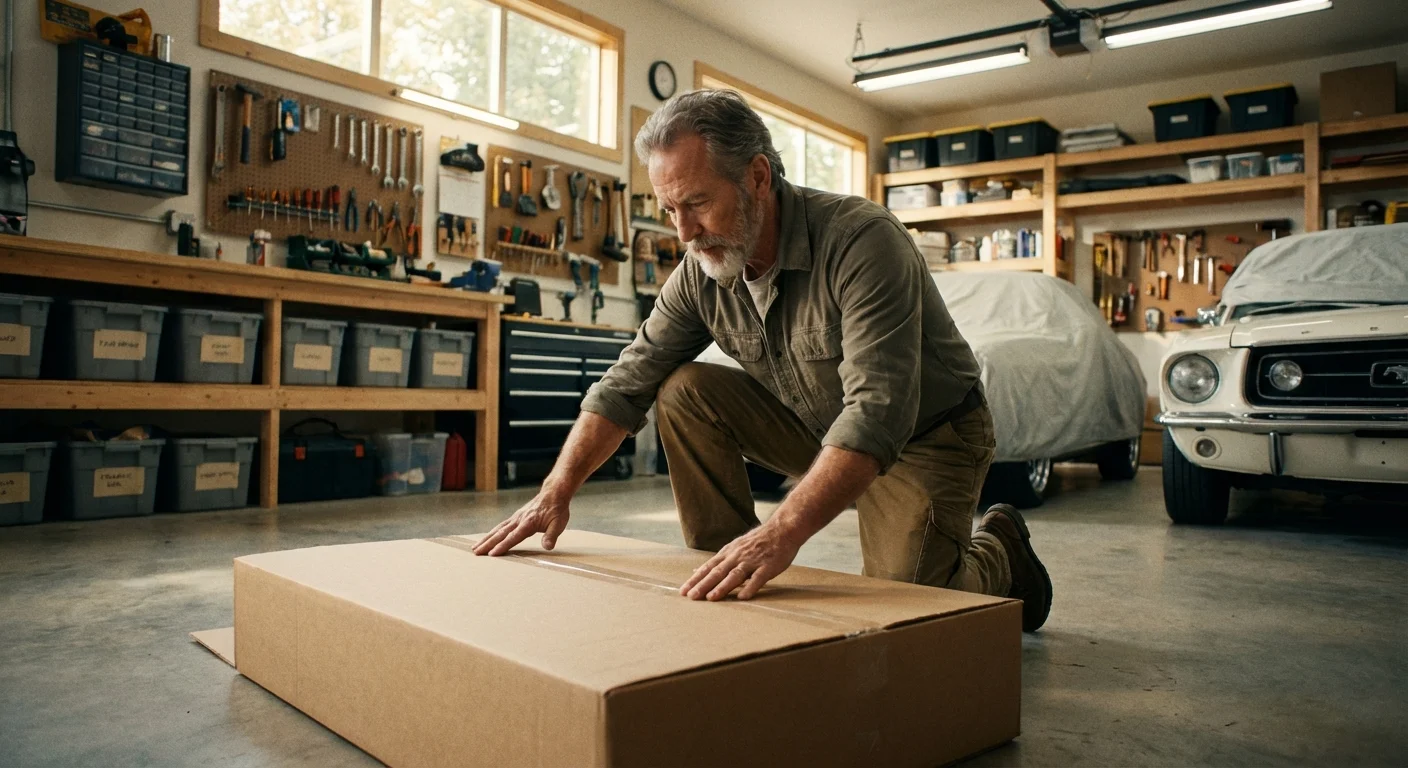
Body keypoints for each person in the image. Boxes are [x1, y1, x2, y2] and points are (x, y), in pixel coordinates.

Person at [473, 89, 1053, 631]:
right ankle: (727, 567)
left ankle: (998, 551)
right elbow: (629, 381)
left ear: (757, 177)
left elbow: (878, 414)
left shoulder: (862, 241)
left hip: (928, 436)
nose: (683, 232)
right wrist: (557, 489)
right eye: (669, 208)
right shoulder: (700, 272)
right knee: (683, 389)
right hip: (819, 427)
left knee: (909, 611)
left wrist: (781, 531)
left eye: (697, 203)